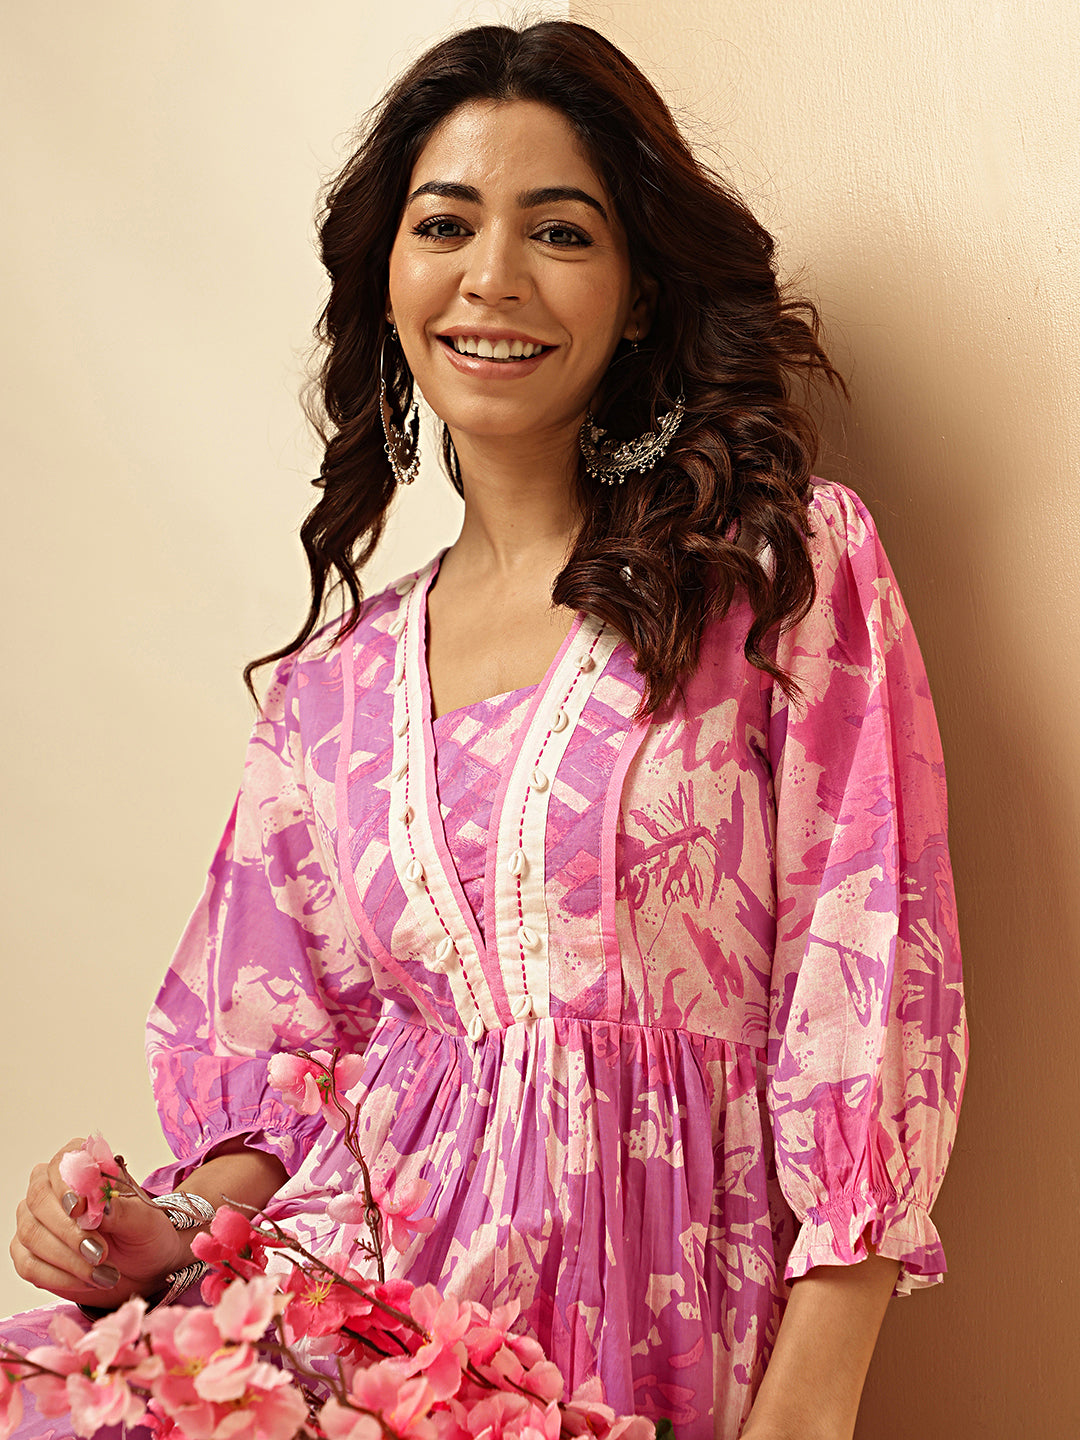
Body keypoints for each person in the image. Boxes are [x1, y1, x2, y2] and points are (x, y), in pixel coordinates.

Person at [5, 20, 967, 1440]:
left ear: (639, 296)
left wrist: (809, 1407)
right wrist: (157, 1231)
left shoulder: (775, 577)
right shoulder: (333, 697)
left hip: (653, 1333)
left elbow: (866, 986)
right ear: (390, 279)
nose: (493, 277)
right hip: (366, 1332)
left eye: (560, 232)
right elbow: (285, 1073)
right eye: (444, 224)